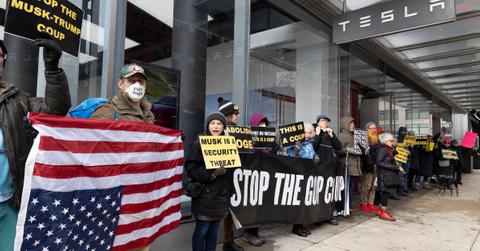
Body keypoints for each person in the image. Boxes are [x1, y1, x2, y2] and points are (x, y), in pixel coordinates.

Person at [0, 38, 71, 251]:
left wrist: (52, 70)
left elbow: (55, 108)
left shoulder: (18, 99)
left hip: (9, 203)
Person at [91, 63, 153, 251]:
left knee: (142, 244)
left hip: (142, 194)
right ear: (121, 83)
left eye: (140, 81)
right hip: (116, 197)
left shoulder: (149, 114)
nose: (137, 85)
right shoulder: (108, 110)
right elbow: (91, 149)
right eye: (131, 80)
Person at [186, 113, 229, 251]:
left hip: (220, 197)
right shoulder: (199, 144)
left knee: (214, 232)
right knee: (202, 230)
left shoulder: (227, 145)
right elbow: (191, 169)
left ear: (223, 127)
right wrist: (212, 174)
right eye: (212, 123)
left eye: (219, 124)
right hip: (204, 196)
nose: (215, 126)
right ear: (208, 126)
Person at [217, 97, 243, 251]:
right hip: (223, 175)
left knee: (230, 210)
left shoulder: (237, 130)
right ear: (228, 115)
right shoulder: (223, 131)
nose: (237, 116)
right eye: (235, 113)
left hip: (234, 174)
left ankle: (228, 241)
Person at [311, 114, 342, 225]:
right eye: (323, 120)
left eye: (327, 121)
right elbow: (312, 147)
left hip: (330, 167)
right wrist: (318, 135)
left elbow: (339, 146)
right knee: (318, 192)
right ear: (318, 122)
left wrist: (332, 136)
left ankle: (328, 215)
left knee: (329, 192)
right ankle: (317, 217)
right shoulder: (314, 131)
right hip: (318, 167)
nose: (325, 123)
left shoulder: (330, 133)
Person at [287, 123, 315, 237]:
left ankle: (300, 224)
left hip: (307, 175)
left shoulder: (310, 144)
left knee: (304, 202)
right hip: (297, 176)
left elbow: (313, 157)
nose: (307, 135)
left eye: (309, 132)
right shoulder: (293, 144)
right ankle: (296, 227)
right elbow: (291, 157)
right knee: (298, 202)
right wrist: (297, 147)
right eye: (305, 132)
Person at [336, 117, 361, 213]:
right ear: (346, 125)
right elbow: (337, 150)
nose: (353, 125)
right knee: (345, 187)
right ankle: (343, 208)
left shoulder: (354, 136)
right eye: (351, 124)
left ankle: (348, 207)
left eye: (353, 123)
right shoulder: (342, 136)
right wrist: (347, 150)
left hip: (353, 165)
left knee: (350, 187)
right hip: (345, 165)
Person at [375, 133, 401, 221]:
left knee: (386, 192)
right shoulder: (383, 149)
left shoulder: (388, 149)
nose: (392, 142)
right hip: (384, 175)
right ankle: (383, 211)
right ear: (385, 141)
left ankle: (381, 210)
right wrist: (394, 167)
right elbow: (379, 162)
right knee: (385, 192)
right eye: (391, 141)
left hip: (387, 174)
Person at [359, 122, 379, 213]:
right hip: (367, 165)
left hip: (375, 164)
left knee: (373, 185)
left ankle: (371, 203)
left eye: (375, 128)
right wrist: (366, 148)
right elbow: (360, 152)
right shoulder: (363, 138)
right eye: (371, 128)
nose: (373, 130)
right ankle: (363, 203)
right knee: (366, 185)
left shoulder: (376, 139)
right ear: (367, 129)